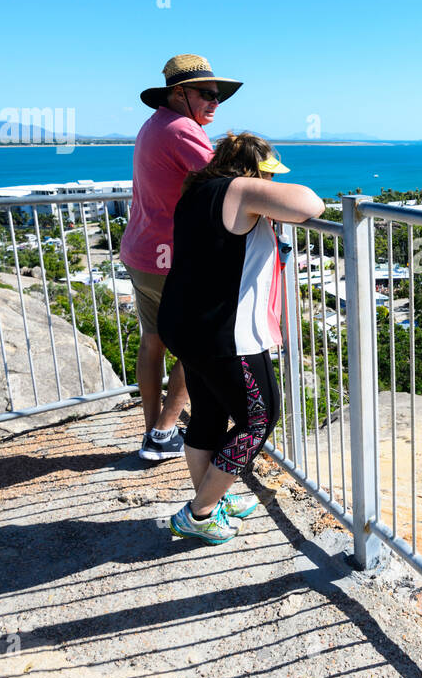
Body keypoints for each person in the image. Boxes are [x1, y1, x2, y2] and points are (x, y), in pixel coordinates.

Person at [158, 132, 325, 544]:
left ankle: (211, 500)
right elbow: (310, 204)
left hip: (184, 325)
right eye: (268, 174)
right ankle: (198, 513)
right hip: (223, 333)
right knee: (259, 419)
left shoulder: (197, 191)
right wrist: (264, 188)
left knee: (210, 418)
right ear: (255, 170)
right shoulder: (242, 189)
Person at [121, 54, 243, 461]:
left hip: (141, 252)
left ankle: (154, 432)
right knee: (197, 346)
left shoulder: (153, 124)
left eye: (218, 95)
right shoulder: (182, 128)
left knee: (153, 342)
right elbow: (222, 183)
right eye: (207, 94)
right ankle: (166, 428)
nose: (215, 102)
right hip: (172, 258)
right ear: (178, 94)